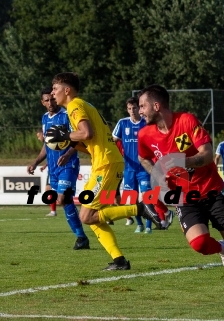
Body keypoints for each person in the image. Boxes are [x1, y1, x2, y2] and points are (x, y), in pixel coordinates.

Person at [137, 84, 224, 299]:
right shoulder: (144, 134)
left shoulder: (186, 121)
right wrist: (156, 172)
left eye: (142, 106)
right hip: (184, 196)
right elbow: (142, 157)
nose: (140, 111)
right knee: (199, 243)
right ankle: (221, 250)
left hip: (212, 190)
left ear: (156, 105)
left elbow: (207, 155)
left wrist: (179, 160)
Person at [47, 72, 162, 270]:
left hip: (106, 163)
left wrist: (64, 134)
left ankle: (140, 209)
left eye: (55, 89)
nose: (52, 93)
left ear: (67, 90)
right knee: (92, 217)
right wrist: (66, 142)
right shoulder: (83, 105)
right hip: (105, 161)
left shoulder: (75, 105)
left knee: (86, 215)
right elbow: (89, 140)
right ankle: (119, 261)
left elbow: (86, 133)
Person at [27, 87, 90, 251]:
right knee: (65, 202)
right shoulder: (45, 118)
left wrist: (68, 154)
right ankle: (81, 238)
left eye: (52, 99)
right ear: (42, 102)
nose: (50, 102)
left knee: (62, 199)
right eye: (46, 100)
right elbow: (47, 145)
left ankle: (83, 234)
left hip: (68, 165)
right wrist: (35, 162)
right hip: (53, 168)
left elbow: (79, 139)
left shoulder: (67, 115)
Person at [113, 97, 154, 234]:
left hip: (144, 167)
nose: (132, 111)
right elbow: (113, 141)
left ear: (139, 108)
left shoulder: (147, 123)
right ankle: (139, 224)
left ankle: (149, 225)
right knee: (131, 199)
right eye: (129, 108)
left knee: (147, 196)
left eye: (134, 108)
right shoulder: (122, 123)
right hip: (128, 168)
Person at [36, 128, 57, 216]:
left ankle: (53, 211)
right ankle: (53, 211)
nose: (38, 138)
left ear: (42, 134)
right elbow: (53, 156)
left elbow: (55, 156)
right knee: (50, 190)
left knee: (49, 190)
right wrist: (46, 165)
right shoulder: (49, 143)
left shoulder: (49, 142)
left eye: (38, 136)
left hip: (55, 168)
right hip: (52, 167)